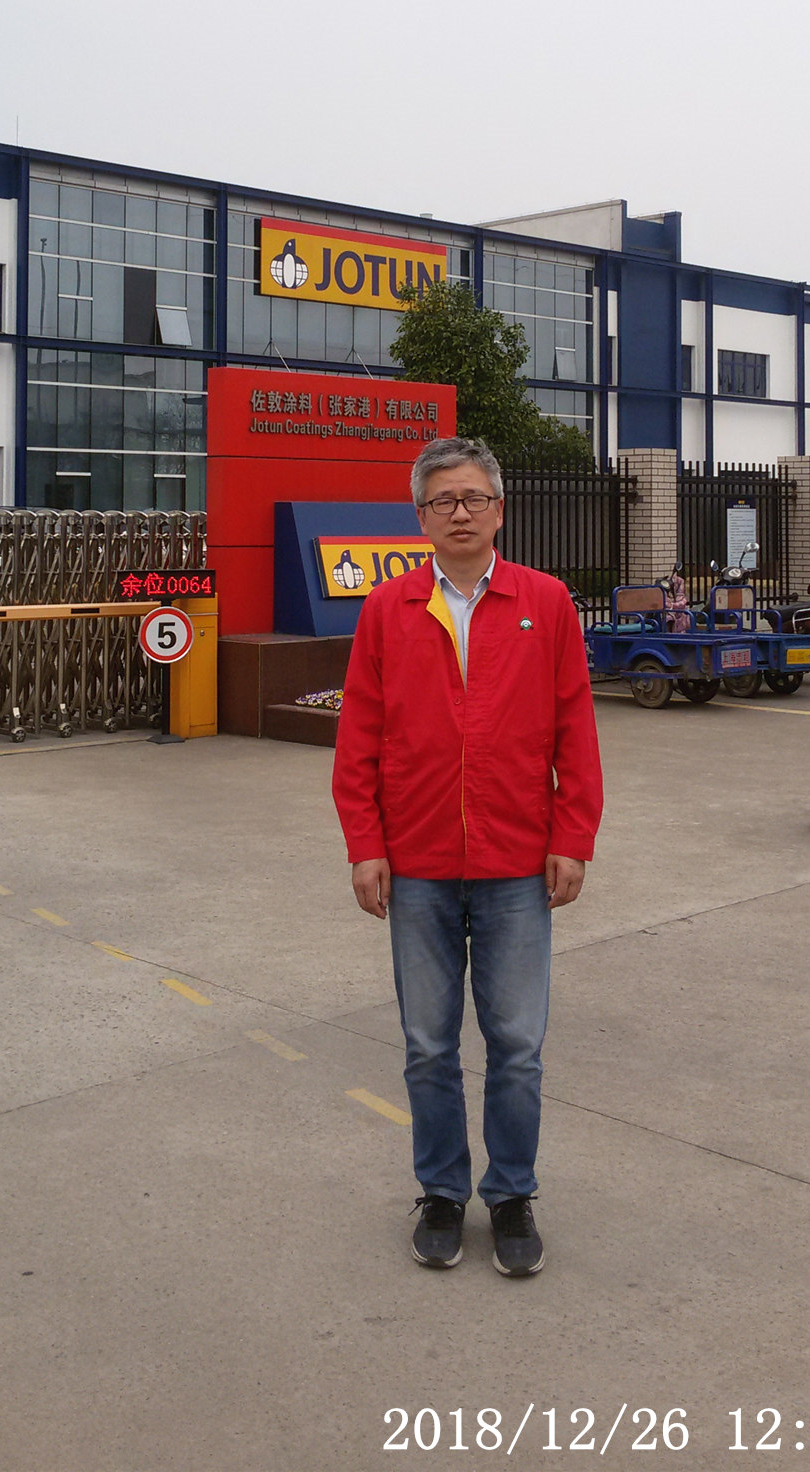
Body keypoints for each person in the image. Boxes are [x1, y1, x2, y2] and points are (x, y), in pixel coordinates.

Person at [331, 436, 603, 1276]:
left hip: (516, 864)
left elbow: (574, 726)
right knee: (427, 1045)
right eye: (442, 500)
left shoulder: (543, 602)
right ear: (419, 516)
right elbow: (359, 735)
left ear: (498, 509)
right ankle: (443, 1194)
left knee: (516, 1045)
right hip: (415, 865)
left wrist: (571, 836)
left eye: (473, 498)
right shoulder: (388, 608)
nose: (459, 512)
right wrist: (366, 845)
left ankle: (512, 1194)